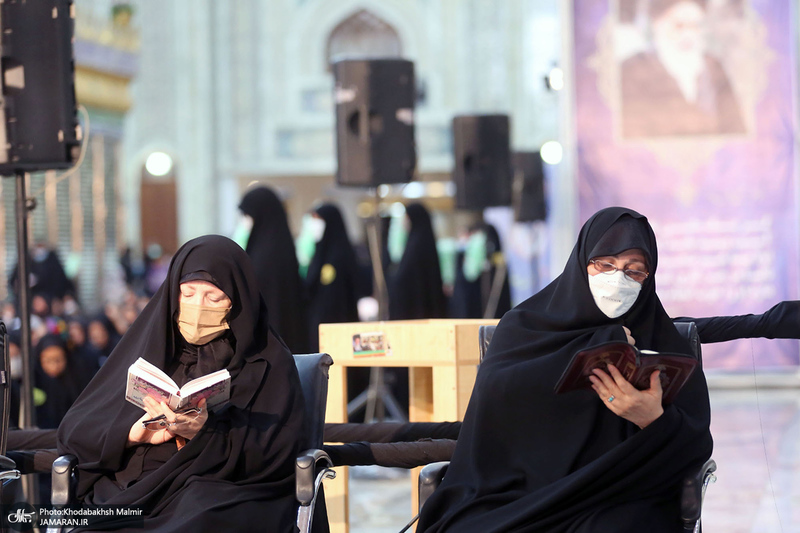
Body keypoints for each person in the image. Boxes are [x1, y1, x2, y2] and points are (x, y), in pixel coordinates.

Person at [417, 207, 712, 532]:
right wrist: (594, 346)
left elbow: (696, 444)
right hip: (519, 493)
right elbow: (496, 399)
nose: (618, 278)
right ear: (582, 261)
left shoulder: (661, 342)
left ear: (649, 277)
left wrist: (653, 420)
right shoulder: (524, 326)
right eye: (606, 264)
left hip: (614, 495)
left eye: (634, 271)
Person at [57, 235, 311, 532]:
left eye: (213, 298)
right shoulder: (150, 346)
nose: (198, 307)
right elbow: (75, 430)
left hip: (221, 491)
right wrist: (131, 435)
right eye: (187, 293)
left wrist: (207, 434)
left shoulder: (267, 362)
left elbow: (277, 453)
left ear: (238, 300)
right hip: (136, 490)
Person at [620, 0, 745, 138]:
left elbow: (736, 129)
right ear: (656, 23)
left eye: (696, 26)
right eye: (679, 25)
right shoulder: (631, 71)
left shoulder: (714, 67)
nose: (689, 35)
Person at [239, 186, 309, 354]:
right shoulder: (275, 245)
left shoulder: (269, 251)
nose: (244, 220)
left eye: (248, 215)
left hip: (273, 339)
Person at [303, 203, 363, 351]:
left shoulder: (340, 254)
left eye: (318, 219)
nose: (315, 224)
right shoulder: (319, 253)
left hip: (338, 325)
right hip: (318, 326)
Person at [387, 203, 447, 320]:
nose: (404, 222)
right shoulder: (423, 241)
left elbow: (406, 277)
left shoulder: (416, 244)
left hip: (416, 309)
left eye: (406, 218)